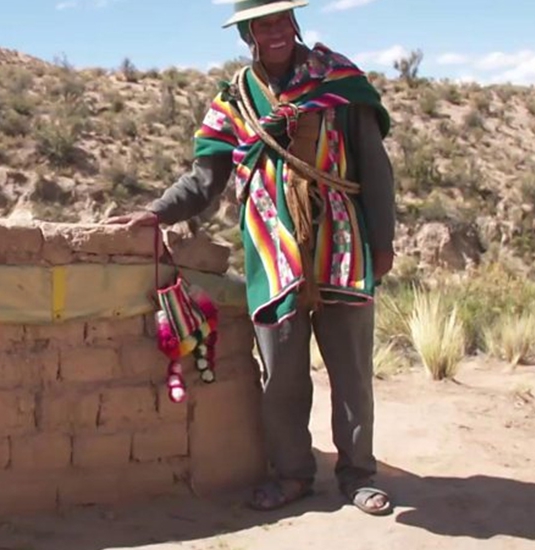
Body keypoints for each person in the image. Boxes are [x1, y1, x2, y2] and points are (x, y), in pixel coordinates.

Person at [104, 0, 398, 516]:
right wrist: (156, 213)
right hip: (272, 247)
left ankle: (357, 475)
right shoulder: (234, 101)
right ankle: (292, 475)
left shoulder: (339, 82)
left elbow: (374, 166)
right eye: (264, 23)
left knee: (351, 367)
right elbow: (204, 181)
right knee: (281, 368)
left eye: (284, 19)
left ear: (296, 23)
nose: (277, 30)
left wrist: (383, 240)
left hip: (342, 244)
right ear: (248, 33)